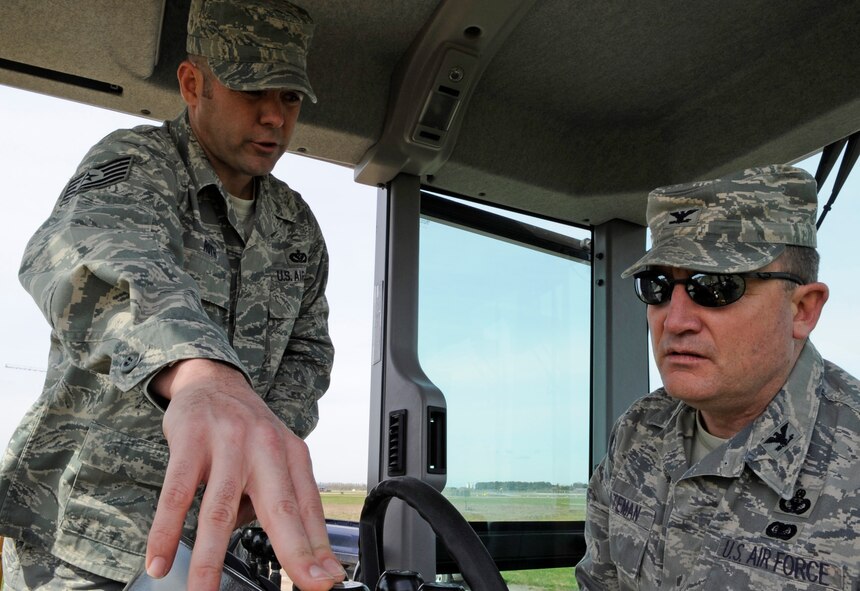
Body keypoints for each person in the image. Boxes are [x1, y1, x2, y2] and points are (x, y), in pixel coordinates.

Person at [0, 1, 347, 589]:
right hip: (82, 537)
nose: (273, 116)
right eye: (251, 90)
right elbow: (87, 251)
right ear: (192, 84)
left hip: (206, 540)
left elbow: (308, 353)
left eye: (289, 96)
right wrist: (199, 372)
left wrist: (262, 437)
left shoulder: (296, 226)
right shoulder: (139, 163)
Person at [575, 164, 860, 590]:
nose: (674, 321)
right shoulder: (639, 430)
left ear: (803, 310)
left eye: (716, 286)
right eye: (657, 286)